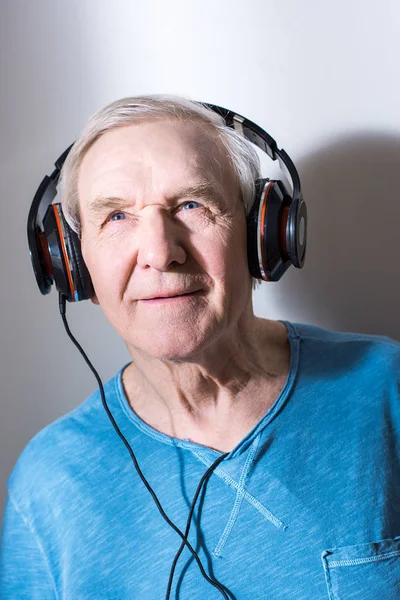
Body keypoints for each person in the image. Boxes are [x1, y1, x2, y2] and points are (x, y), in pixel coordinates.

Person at [0, 95, 399, 600]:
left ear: (264, 235)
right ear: (72, 264)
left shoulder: (387, 387)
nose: (161, 253)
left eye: (192, 205)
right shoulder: (48, 484)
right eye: (117, 216)